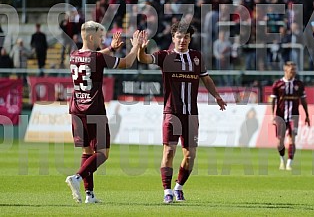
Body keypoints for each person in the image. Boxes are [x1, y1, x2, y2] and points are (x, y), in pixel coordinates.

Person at [137, 21, 227, 204]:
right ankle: (167, 191)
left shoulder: (196, 57)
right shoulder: (165, 56)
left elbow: (206, 79)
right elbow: (144, 59)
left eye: (186, 37)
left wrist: (216, 96)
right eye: (179, 36)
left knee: (190, 155)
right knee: (169, 151)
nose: (182, 40)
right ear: (173, 38)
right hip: (171, 112)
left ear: (190, 39)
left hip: (191, 114)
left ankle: (179, 187)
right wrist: (140, 49)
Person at [65, 20, 143, 204]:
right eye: (100, 36)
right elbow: (127, 62)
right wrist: (136, 47)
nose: (103, 39)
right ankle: (77, 177)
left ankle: (89, 195)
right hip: (94, 110)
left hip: (76, 109)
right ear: (91, 37)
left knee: (87, 152)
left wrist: (110, 48)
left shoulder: (74, 55)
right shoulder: (97, 58)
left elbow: (93, 56)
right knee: (103, 153)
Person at [271, 61, 310, 171]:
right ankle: (282, 160)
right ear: (285, 70)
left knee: (292, 140)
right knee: (280, 142)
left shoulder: (299, 84)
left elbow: (303, 100)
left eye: (294, 70)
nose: (293, 72)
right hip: (280, 116)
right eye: (291, 69)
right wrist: (272, 115)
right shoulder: (277, 84)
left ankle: (289, 163)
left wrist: (307, 115)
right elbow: (272, 100)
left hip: (294, 116)